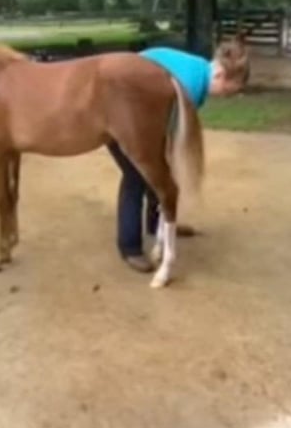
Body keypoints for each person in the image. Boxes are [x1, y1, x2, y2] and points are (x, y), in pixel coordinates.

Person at [107, 37, 250, 273]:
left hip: (134, 113)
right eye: (227, 92)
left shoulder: (200, 71)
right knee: (136, 176)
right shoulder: (191, 83)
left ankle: (158, 225)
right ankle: (129, 247)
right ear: (220, 76)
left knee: (158, 169)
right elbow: (169, 133)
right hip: (119, 114)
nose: (223, 97)